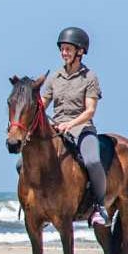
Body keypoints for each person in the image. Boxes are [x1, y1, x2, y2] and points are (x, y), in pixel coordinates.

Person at [42, 26, 110, 227]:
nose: (64, 53)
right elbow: (42, 104)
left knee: (92, 161)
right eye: (62, 49)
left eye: (68, 49)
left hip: (82, 128)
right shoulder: (54, 77)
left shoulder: (89, 78)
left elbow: (90, 111)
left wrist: (70, 124)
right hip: (56, 130)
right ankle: (39, 205)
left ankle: (99, 207)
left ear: (80, 51)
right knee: (23, 164)